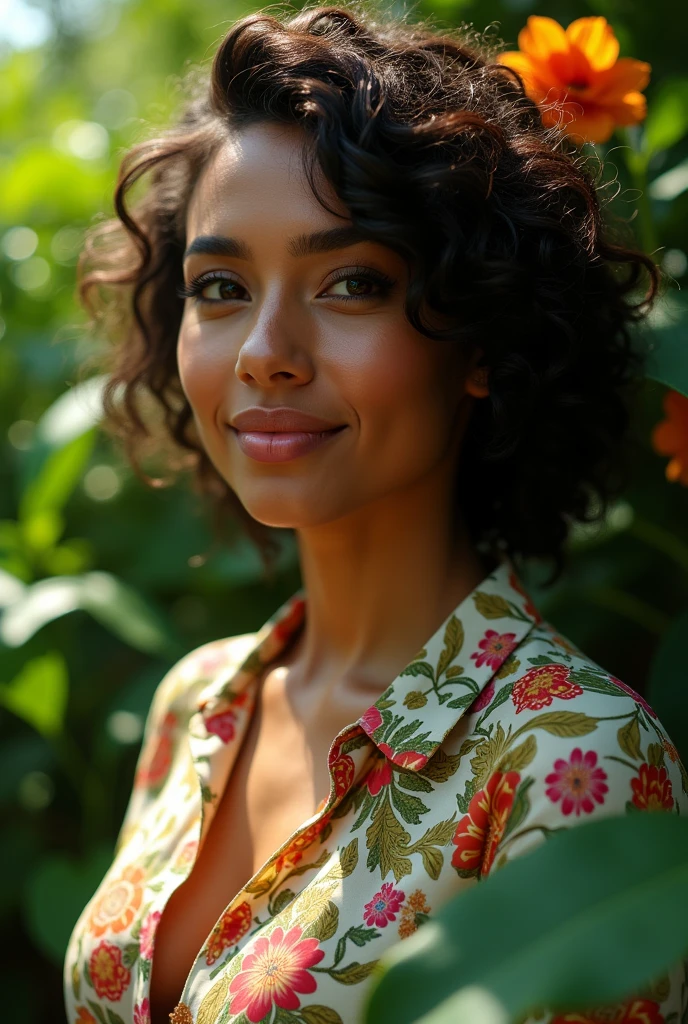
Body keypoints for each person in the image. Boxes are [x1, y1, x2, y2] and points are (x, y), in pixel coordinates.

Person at [63, 6, 687, 1024]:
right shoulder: (197, 702)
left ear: (478, 341)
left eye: (351, 281)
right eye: (218, 286)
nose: (266, 349)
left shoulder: (573, 758)